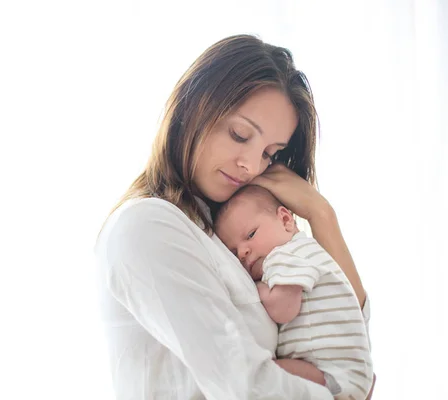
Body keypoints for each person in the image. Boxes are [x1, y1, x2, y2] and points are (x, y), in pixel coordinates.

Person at [95, 34, 376, 399]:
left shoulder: (233, 240)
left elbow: (345, 342)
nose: (250, 166)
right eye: (240, 134)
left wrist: (322, 216)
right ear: (195, 107)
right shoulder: (148, 226)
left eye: (269, 154)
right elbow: (243, 386)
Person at [214, 185, 374, 399]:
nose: (243, 252)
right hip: (348, 376)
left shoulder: (286, 255)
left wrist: (258, 289)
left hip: (333, 375)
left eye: (251, 234)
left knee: (262, 374)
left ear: (286, 220)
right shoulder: (301, 253)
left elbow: (283, 309)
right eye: (234, 253)